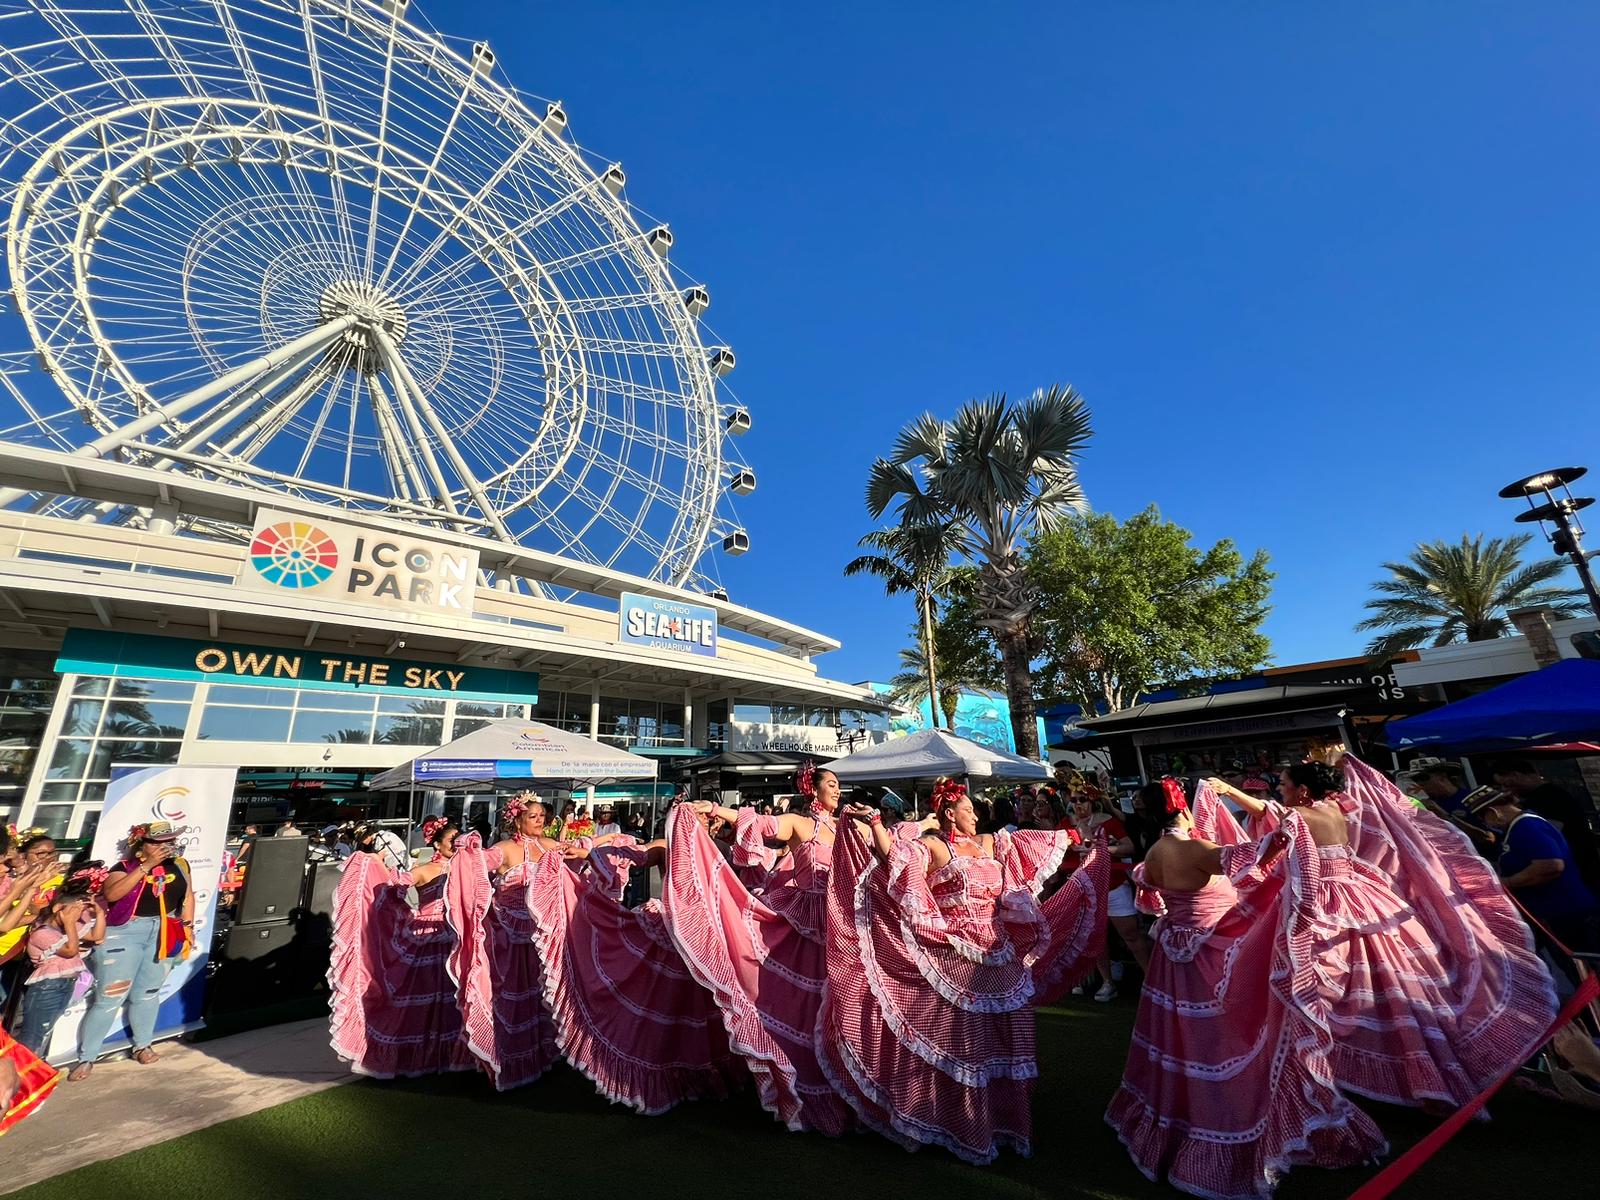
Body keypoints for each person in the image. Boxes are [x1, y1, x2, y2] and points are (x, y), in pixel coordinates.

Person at [1211, 759, 1559, 1111]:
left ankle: (1331, 1067)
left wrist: (1207, 857)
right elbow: (1271, 810)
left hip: (1325, 900)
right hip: (1362, 894)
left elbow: (1261, 851)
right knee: (1390, 983)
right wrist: (1234, 793)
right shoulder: (1335, 807)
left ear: (1301, 790)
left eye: (1284, 784)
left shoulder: (1298, 818)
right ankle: (1402, 1066)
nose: (1279, 789)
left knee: (1318, 982)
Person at [1106, 779, 1387, 1199]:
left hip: (1172, 955)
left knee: (1187, 1041)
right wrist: (1284, 836)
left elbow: (1153, 884)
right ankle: (1232, 1122)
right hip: (1211, 954)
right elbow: (1258, 861)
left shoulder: (1156, 852)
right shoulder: (1194, 850)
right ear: (1182, 808)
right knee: (1235, 1038)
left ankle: (1183, 1119)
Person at [818, 778, 1108, 1163]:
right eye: (970, 809)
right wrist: (874, 825)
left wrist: (1075, 836)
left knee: (1011, 1032)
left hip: (999, 952)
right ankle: (960, 1123)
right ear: (950, 813)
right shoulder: (935, 845)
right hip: (955, 952)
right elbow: (895, 861)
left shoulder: (992, 843)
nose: (976, 815)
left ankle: (1007, 1122)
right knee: (966, 1044)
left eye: (976, 810)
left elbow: (1037, 844)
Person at [663, 762, 856, 1135]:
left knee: (838, 1006)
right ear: (812, 790)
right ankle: (800, 1083)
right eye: (831, 784)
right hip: (804, 926)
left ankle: (845, 1084)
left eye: (838, 784)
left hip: (838, 925)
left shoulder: (847, 828)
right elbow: (767, 826)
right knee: (802, 1006)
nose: (837, 789)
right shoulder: (802, 824)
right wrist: (717, 810)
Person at [521, 821, 743, 1113]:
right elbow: (637, 856)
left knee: (705, 1007)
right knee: (670, 1007)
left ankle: (704, 1076)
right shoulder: (667, 845)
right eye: (693, 819)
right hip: (674, 932)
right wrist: (591, 854)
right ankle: (667, 1078)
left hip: (711, 934)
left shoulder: (723, 848)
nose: (698, 824)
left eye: (702, 820)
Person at [444, 794, 578, 1090]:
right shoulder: (505, 848)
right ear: (517, 819)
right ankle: (508, 1059)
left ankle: (543, 1054)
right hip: (510, 936)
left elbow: (580, 855)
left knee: (542, 994)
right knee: (510, 996)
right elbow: (480, 864)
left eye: (543, 815)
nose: (540, 820)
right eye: (533, 816)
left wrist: (600, 846)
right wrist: (471, 850)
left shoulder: (550, 846)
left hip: (542, 936)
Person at [328, 816, 473, 1078]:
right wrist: (375, 864)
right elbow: (392, 887)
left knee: (453, 998)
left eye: (457, 838)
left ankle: (451, 1053)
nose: (455, 843)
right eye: (451, 840)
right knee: (427, 998)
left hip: (455, 936)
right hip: (430, 934)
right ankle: (417, 1055)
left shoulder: (466, 868)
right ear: (437, 845)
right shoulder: (424, 869)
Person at [69, 821, 195, 1081]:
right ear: (141, 846)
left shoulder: (180, 865)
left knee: (148, 993)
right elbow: (113, 894)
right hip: (126, 931)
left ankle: (143, 1044)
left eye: (168, 841)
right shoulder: (123, 867)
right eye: (157, 842)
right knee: (110, 997)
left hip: (164, 930)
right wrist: (146, 867)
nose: (165, 846)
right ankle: (87, 1057)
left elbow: (189, 896)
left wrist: (188, 927)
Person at [1470, 788, 1600, 958]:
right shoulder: (1516, 828)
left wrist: (1506, 882)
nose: (1488, 825)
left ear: (1493, 812)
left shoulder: (1527, 826)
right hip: (1555, 914)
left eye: (1484, 818)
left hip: (1568, 914)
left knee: (1587, 965)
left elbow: (1550, 866)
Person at [15, 864, 107, 1055]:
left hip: (65, 984)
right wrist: (70, 923)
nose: (77, 915)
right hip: (47, 988)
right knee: (33, 1036)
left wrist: (98, 914)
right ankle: (22, 1075)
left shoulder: (66, 929)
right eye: (73, 910)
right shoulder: (42, 932)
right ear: (58, 908)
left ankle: (34, 1072)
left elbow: (97, 936)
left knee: (45, 1032)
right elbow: (70, 951)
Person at [1070, 792, 1151, 999]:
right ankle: (1107, 982)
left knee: (1131, 935)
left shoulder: (1109, 822)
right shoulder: (1066, 823)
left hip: (1113, 886)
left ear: (1093, 801)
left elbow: (1129, 847)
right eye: (1073, 800)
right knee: (1095, 938)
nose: (1078, 804)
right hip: (1086, 889)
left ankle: (1152, 979)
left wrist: (1104, 848)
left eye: (1082, 799)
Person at [1491, 760, 1600, 893]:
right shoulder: (1541, 795)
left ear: (1516, 775)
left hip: (1577, 868)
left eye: (1506, 784)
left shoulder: (1548, 797)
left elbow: (1548, 838)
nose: (1505, 790)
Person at [1407, 760, 1496, 850]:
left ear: (1442, 777)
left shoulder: (1472, 799)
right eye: (1415, 779)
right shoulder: (1426, 806)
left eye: (1423, 777)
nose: (1420, 784)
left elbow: (1489, 838)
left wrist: (1445, 816)